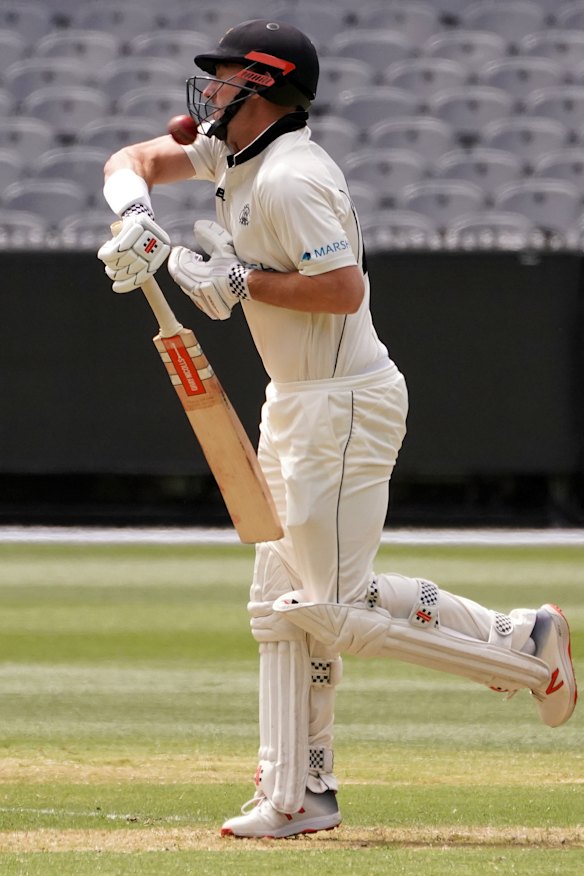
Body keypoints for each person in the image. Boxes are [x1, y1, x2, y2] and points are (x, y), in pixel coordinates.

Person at [97, 19, 577, 839]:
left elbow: (344, 289)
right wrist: (139, 218)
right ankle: (297, 795)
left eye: (223, 81)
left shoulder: (291, 177)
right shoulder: (231, 153)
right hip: (295, 399)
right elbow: (130, 162)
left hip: (345, 401)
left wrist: (241, 280)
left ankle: (525, 653)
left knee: (334, 610)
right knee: (277, 607)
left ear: (266, 91)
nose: (207, 93)